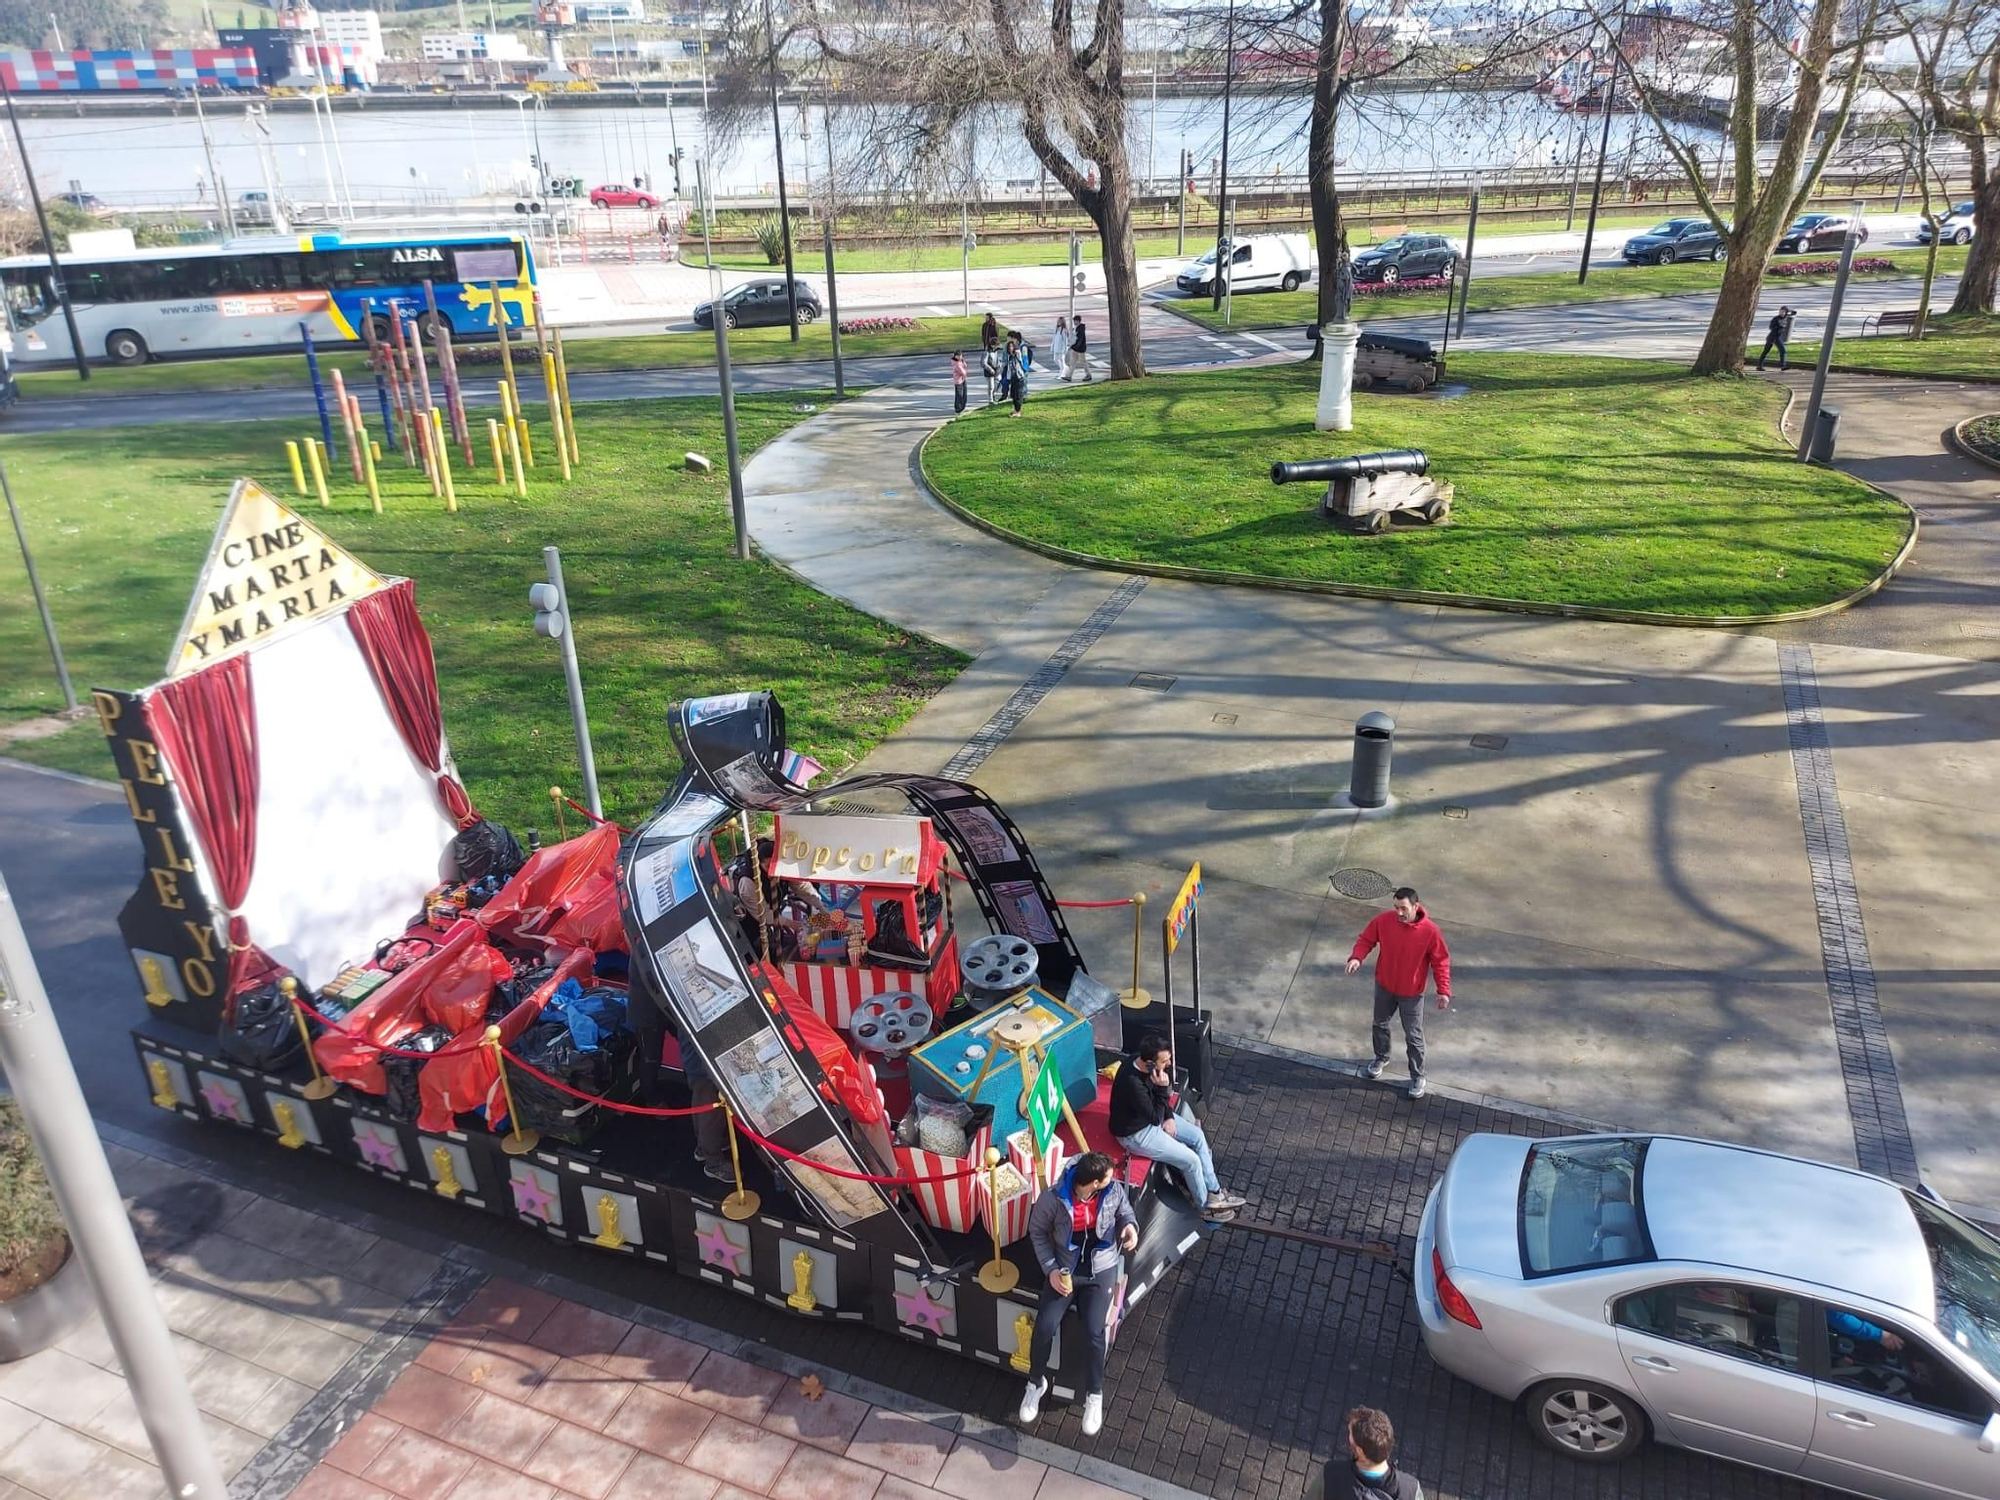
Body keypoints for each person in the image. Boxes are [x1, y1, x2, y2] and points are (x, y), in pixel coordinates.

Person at [1018, 1151, 1137, 1438]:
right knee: (1045, 1326)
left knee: (1095, 1332)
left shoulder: (1113, 1189)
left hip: (1101, 1269)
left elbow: (1125, 1212)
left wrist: (1130, 1228)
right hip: (1065, 1270)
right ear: (1092, 1183)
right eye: (1107, 1177)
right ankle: (1036, 1383)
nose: (1114, 1179)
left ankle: (1094, 1393)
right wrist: (1051, 1270)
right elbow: (1037, 1232)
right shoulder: (1053, 1198)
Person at [1109, 1035, 1246, 1222]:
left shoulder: (1144, 1063)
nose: (1169, 1064)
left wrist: (1169, 1116)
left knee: (1197, 1136)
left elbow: (1159, 1109)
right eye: (1165, 1061)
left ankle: (1214, 1192)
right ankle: (1205, 1207)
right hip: (1136, 1133)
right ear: (1150, 1063)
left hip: (1154, 1117)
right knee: (1191, 1161)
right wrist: (1163, 1091)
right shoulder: (1133, 1084)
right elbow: (1153, 1117)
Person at [1344, 886, 1451, 1099]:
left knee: (1413, 1035)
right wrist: (1356, 957)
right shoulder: (1384, 921)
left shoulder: (1430, 932)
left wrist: (1443, 990)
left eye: (1403, 908)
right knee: (1379, 1024)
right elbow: (1366, 939)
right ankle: (1381, 1057)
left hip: (1411, 994)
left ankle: (1418, 1075)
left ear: (1416, 906)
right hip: (1384, 986)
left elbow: (1441, 962)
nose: (1399, 913)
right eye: (1396, 908)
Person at [1305, 1407, 1423, 1500]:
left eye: (1350, 1434)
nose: (1348, 1436)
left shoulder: (1331, 1475)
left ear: (1361, 1451)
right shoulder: (1411, 1490)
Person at [1757, 306, 1796, 371]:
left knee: (1781, 351)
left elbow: (1794, 312)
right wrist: (1778, 328)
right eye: (1780, 311)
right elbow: (1771, 327)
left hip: (1777, 337)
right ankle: (1760, 366)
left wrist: (1788, 312)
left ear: (1786, 312)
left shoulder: (1786, 317)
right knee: (1771, 351)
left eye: (1783, 312)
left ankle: (1782, 366)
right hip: (1772, 337)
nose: (1781, 313)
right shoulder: (1776, 319)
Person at [1006, 334, 1027, 416]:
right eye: (1009, 347)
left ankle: (1018, 411)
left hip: (1019, 377)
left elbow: (1020, 356)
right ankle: (1016, 410)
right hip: (1013, 378)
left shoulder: (1017, 353)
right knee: (1014, 395)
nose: (1010, 348)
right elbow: (1009, 368)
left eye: (1012, 346)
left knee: (1018, 395)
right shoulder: (1009, 357)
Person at [1067, 316, 1091, 382]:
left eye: (1075, 321)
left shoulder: (1081, 329)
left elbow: (1080, 340)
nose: (1074, 322)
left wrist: (1075, 346)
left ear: (1078, 321)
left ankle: (1088, 374)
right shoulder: (1076, 328)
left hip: (1080, 349)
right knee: (1072, 362)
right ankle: (1068, 376)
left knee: (1083, 362)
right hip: (1075, 348)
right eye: (1074, 321)